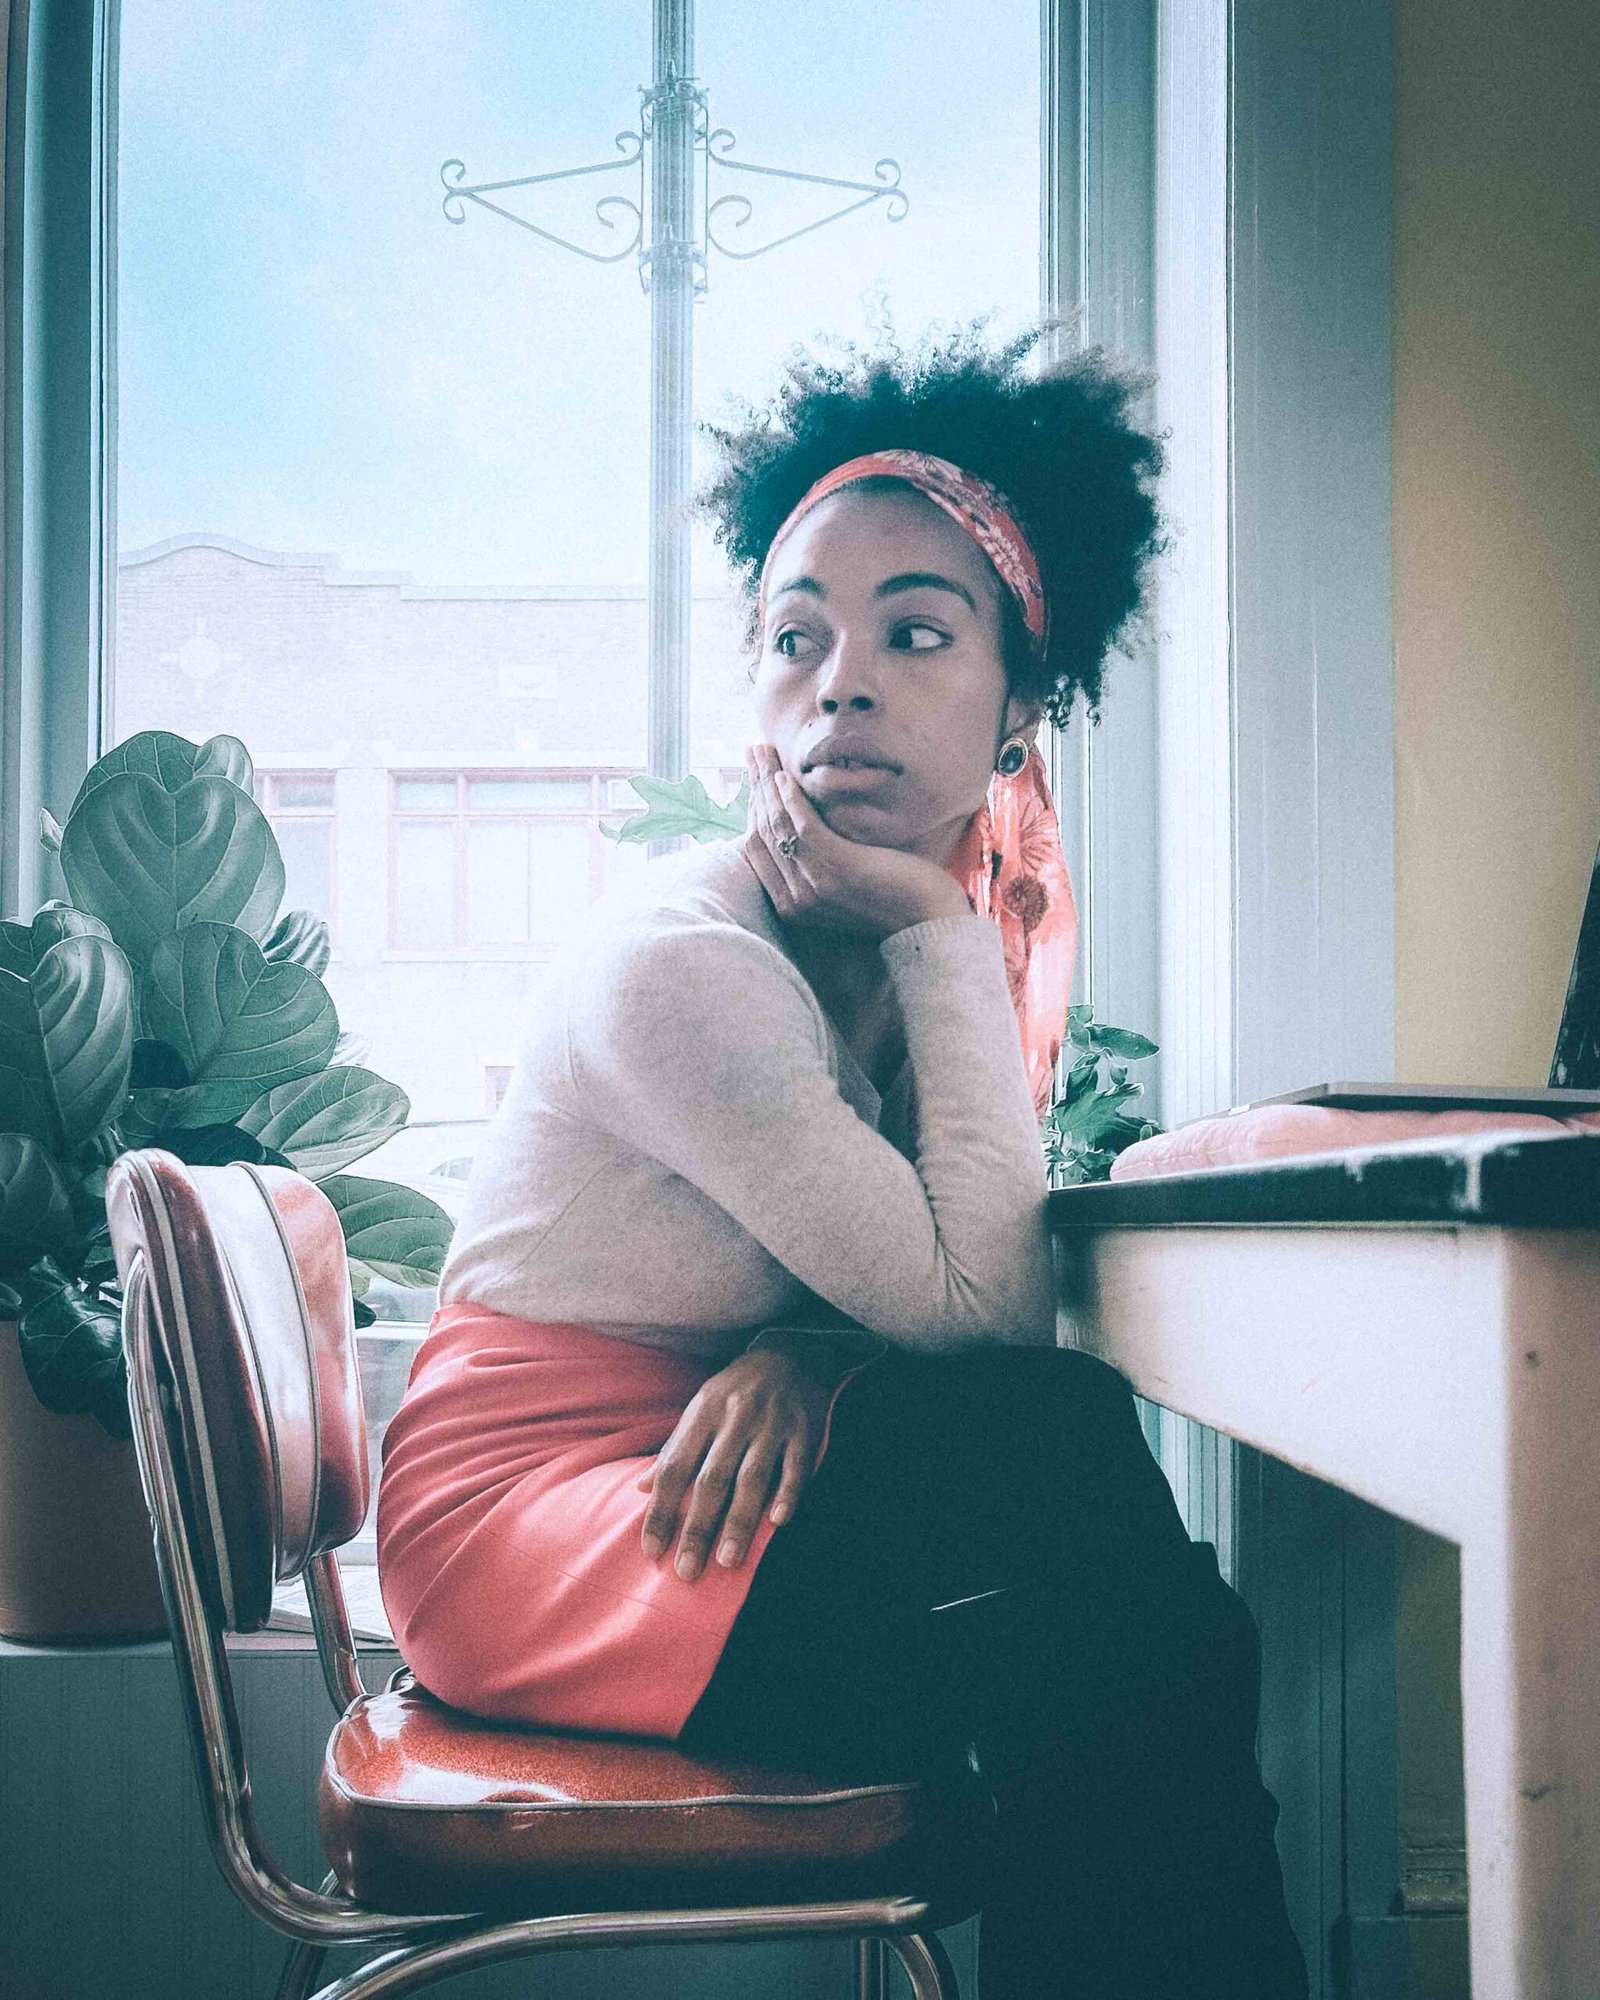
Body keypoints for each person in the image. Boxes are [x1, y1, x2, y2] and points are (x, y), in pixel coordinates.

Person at [377, 322, 1308, 1998]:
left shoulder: (898, 958)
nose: (845, 682)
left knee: (1108, 1641)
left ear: (1024, 707)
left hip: (683, 1460)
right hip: (527, 1523)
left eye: (915, 635)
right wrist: (946, 926)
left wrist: (807, 1349)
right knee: (1087, 1542)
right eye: (795, 640)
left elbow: (905, 1285)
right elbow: (977, 1311)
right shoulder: (693, 967)